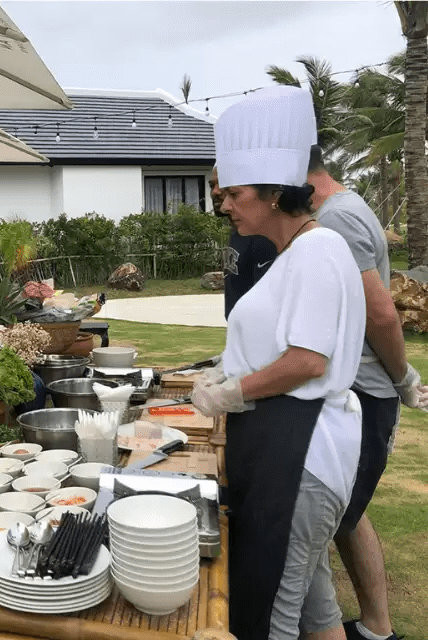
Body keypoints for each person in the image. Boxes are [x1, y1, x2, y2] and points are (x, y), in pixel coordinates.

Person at [191, 86, 364, 640]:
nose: (223, 204)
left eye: (233, 193)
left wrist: (230, 392)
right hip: (281, 442)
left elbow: (307, 361)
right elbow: (280, 345)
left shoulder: (318, 250)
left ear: (272, 194)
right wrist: (228, 367)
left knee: (270, 614)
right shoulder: (296, 253)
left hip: (301, 451)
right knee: (315, 608)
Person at [306, 145, 428, 640]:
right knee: (346, 514)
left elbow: (380, 313)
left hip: (362, 395)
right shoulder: (340, 210)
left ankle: (336, 629)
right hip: (357, 393)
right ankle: (377, 628)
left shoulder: (336, 220)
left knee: (325, 519)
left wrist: (404, 382)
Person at [210, 166, 278, 318]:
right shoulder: (238, 230)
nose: (215, 192)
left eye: (222, 186)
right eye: (211, 185)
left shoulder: (263, 237)